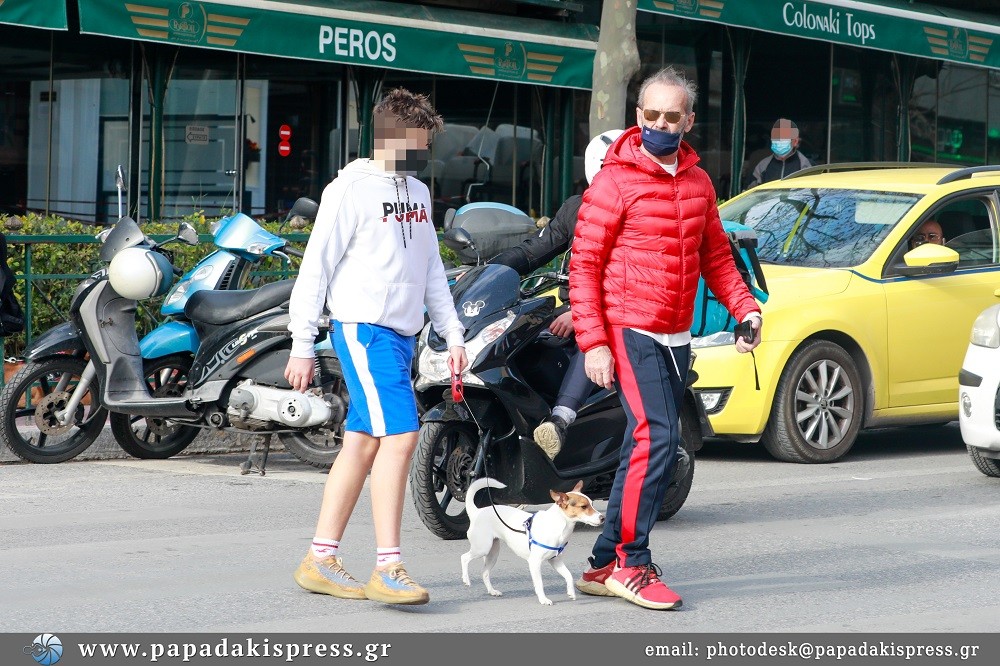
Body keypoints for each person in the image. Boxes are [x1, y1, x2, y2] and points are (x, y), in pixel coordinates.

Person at [569, 66, 762, 611]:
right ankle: (633, 562)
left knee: (642, 442)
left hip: (677, 335)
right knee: (658, 439)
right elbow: (582, 265)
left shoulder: (699, 182)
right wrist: (595, 344)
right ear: (637, 116)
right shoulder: (614, 181)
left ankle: (603, 560)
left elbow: (717, 257)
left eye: (671, 116)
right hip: (630, 329)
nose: (659, 123)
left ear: (688, 120)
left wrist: (745, 308)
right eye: (650, 114)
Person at [285, 88, 467, 606]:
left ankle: (320, 558)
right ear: (388, 137)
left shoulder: (418, 193)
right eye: (415, 143)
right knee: (403, 436)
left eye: (425, 144)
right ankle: (389, 566)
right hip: (365, 330)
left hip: (400, 335)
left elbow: (431, 269)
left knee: (364, 441)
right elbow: (315, 266)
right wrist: (302, 343)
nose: (421, 154)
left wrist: (452, 333)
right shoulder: (349, 190)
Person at [488, 129, 624, 460]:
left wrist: (579, 315)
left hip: (612, 315)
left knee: (589, 344)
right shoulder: (576, 208)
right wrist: (489, 271)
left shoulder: (635, 215)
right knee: (518, 336)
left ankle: (561, 420)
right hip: (573, 308)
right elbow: (537, 249)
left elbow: (625, 281)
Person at [746, 118, 812, 188]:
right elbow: (751, 192)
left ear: (795, 142)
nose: (779, 141)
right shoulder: (762, 166)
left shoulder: (805, 165)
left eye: (784, 138)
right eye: (776, 137)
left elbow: (812, 192)